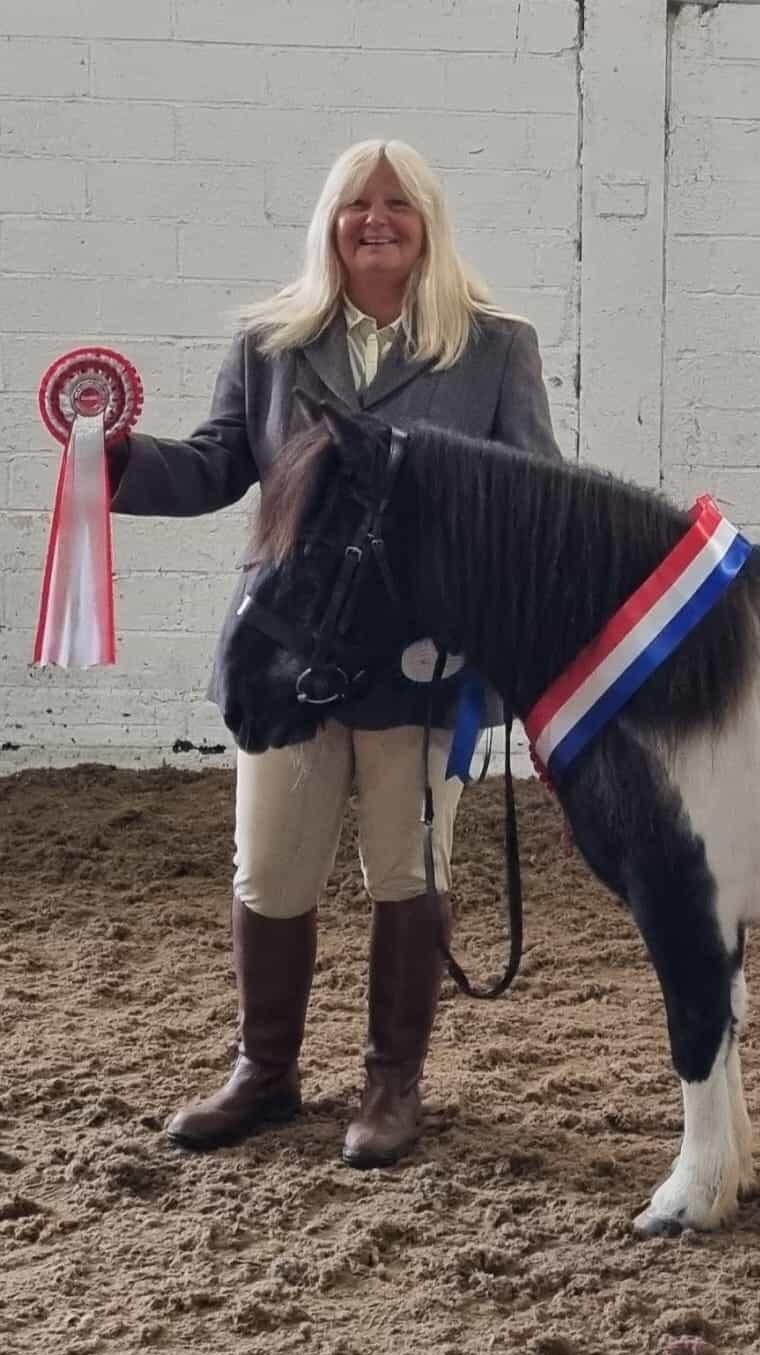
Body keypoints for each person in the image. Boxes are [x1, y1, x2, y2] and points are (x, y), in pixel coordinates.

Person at [108, 138, 561, 1169]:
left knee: (405, 868)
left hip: (418, 652)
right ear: (331, 221)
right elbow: (223, 459)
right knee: (271, 867)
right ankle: (263, 1071)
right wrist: (115, 458)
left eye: (397, 204)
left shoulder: (494, 347)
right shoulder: (271, 341)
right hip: (289, 645)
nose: (376, 219)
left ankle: (391, 1082)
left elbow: (534, 490)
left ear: (428, 223)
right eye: (357, 204)